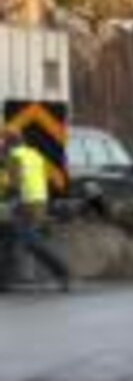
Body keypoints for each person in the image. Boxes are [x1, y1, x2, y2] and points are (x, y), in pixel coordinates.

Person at [1, 124, 71, 293]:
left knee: (30, 242)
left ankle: (62, 272)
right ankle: (3, 281)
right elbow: (40, 179)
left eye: (3, 140)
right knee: (9, 239)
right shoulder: (34, 155)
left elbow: (14, 185)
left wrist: (8, 202)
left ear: (9, 142)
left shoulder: (14, 156)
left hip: (24, 205)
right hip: (39, 202)